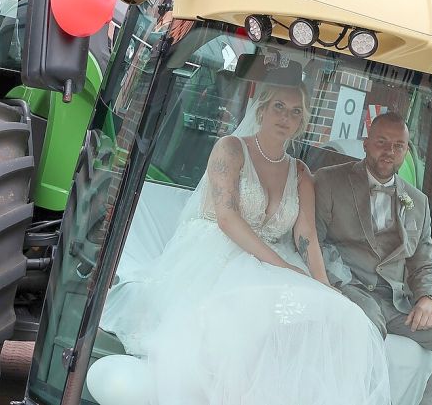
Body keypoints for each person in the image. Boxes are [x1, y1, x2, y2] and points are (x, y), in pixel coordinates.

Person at [100, 82, 391, 405]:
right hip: (217, 248)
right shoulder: (231, 149)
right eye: (279, 106)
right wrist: (281, 266)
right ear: (262, 108)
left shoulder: (301, 173)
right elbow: (227, 217)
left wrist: (322, 284)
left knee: (330, 315)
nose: (286, 117)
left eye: (296, 112)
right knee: (235, 326)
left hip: (269, 257)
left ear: (302, 122)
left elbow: (304, 231)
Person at [315, 111, 432, 405]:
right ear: (366, 143)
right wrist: (340, 285)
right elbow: (316, 243)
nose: (389, 151)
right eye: (382, 142)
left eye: (398, 146)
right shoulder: (329, 181)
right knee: (364, 326)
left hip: (397, 306)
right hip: (350, 292)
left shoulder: (417, 201)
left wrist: (428, 298)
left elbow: (423, 260)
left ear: (406, 152)